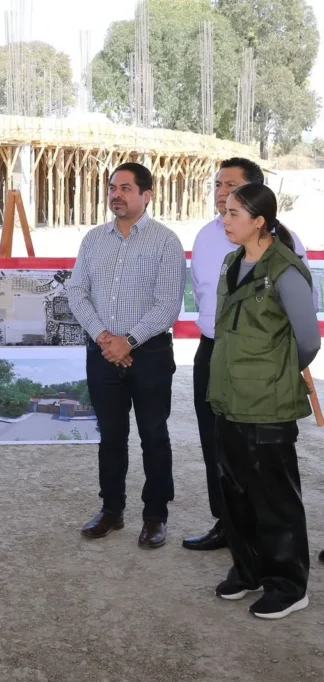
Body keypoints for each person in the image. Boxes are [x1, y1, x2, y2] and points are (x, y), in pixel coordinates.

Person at [185, 157, 312, 551]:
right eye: (218, 185)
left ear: (258, 206)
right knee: (220, 451)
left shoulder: (286, 250)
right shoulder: (211, 240)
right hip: (214, 354)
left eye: (232, 187)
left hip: (262, 368)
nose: (221, 193)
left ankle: (276, 560)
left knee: (267, 466)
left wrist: (275, 365)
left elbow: (303, 327)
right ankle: (229, 527)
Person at [207, 183, 319, 620]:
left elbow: (308, 341)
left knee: (275, 498)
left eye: (234, 213)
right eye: (225, 212)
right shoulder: (233, 261)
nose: (225, 219)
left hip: (267, 402)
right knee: (235, 491)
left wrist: (271, 371)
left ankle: (288, 585)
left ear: (259, 221)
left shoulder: (285, 270)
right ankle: (248, 570)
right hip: (229, 398)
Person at [66, 162, 186, 549]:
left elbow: (168, 305)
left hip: (148, 354)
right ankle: (112, 510)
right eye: (113, 187)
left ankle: (155, 516)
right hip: (102, 353)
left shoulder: (166, 242)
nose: (116, 194)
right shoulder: (93, 239)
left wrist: (127, 341)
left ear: (147, 195)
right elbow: (77, 292)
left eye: (127, 188)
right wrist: (105, 338)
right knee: (111, 437)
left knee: (154, 435)